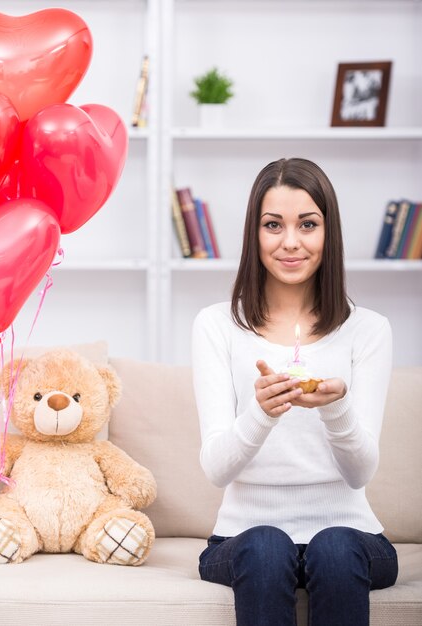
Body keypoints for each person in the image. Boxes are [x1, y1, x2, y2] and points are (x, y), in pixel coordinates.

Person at [192, 157, 398, 626]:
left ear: (329, 233)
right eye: (273, 225)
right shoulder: (216, 326)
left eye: (308, 224)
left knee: (336, 544)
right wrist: (261, 413)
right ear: (254, 234)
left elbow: (359, 471)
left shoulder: (368, 330)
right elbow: (215, 469)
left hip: (353, 536)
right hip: (242, 538)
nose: (290, 242)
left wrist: (338, 409)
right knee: (267, 545)